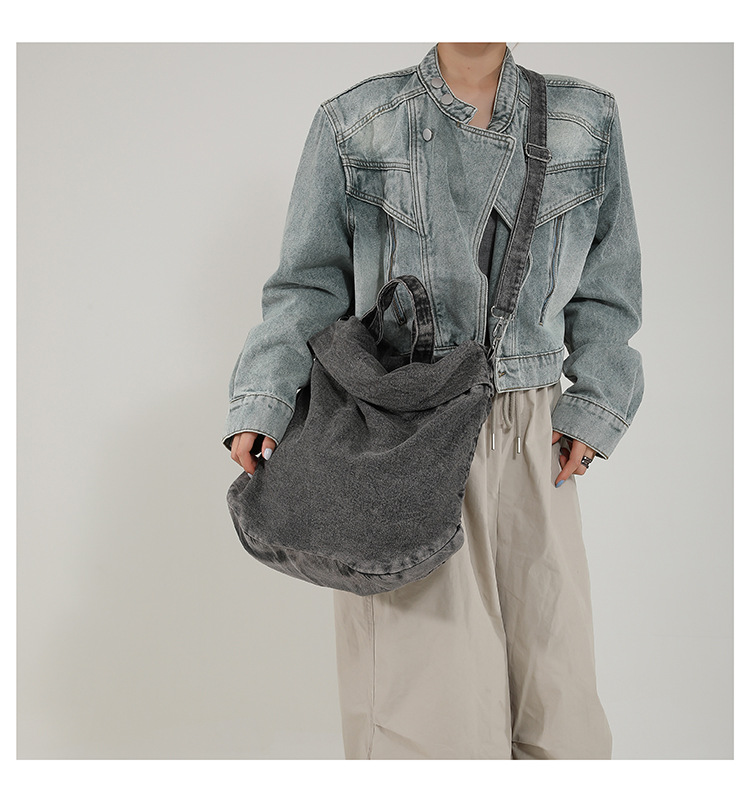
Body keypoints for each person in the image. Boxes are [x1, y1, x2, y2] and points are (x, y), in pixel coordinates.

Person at [223, 42, 644, 759]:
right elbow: (307, 285)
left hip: (532, 434)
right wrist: (264, 398)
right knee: (427, 714)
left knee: (558, 703)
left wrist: (597, 402)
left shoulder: (584, 119)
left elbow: (610, 285)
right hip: (404, 434)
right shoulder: (355, 122)